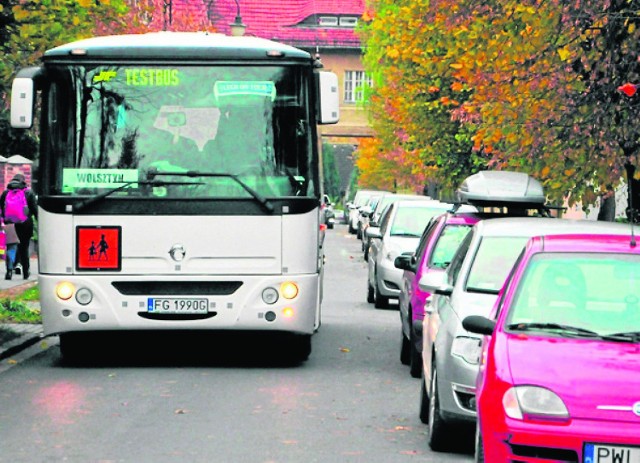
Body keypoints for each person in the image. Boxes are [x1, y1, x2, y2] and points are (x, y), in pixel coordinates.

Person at [0, 174, 37, 279]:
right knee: (24, 248)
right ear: (23, 181)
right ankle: (25, 272)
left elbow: (1, 210)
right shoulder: (28, 192)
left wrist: (3, 222)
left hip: (10, 224)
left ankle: (9, 272)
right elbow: (35, 210)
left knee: (11, 247)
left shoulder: (6, 192)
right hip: (25, 224)